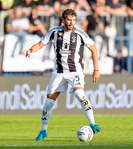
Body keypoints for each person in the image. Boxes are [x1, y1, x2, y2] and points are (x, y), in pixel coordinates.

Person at [25, 9, 101, 141]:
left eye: (73, 20)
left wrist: (96, 70)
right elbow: (40, 44)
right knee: (48, 103)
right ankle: (43, 131)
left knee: (79, 95)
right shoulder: (55, 32)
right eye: (69, 20)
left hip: (75, 71)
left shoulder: (80, 34)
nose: (71, 23)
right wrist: (31, 50)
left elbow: (94, 49)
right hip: (59, 73)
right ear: (63, 20)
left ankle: (92, 123)